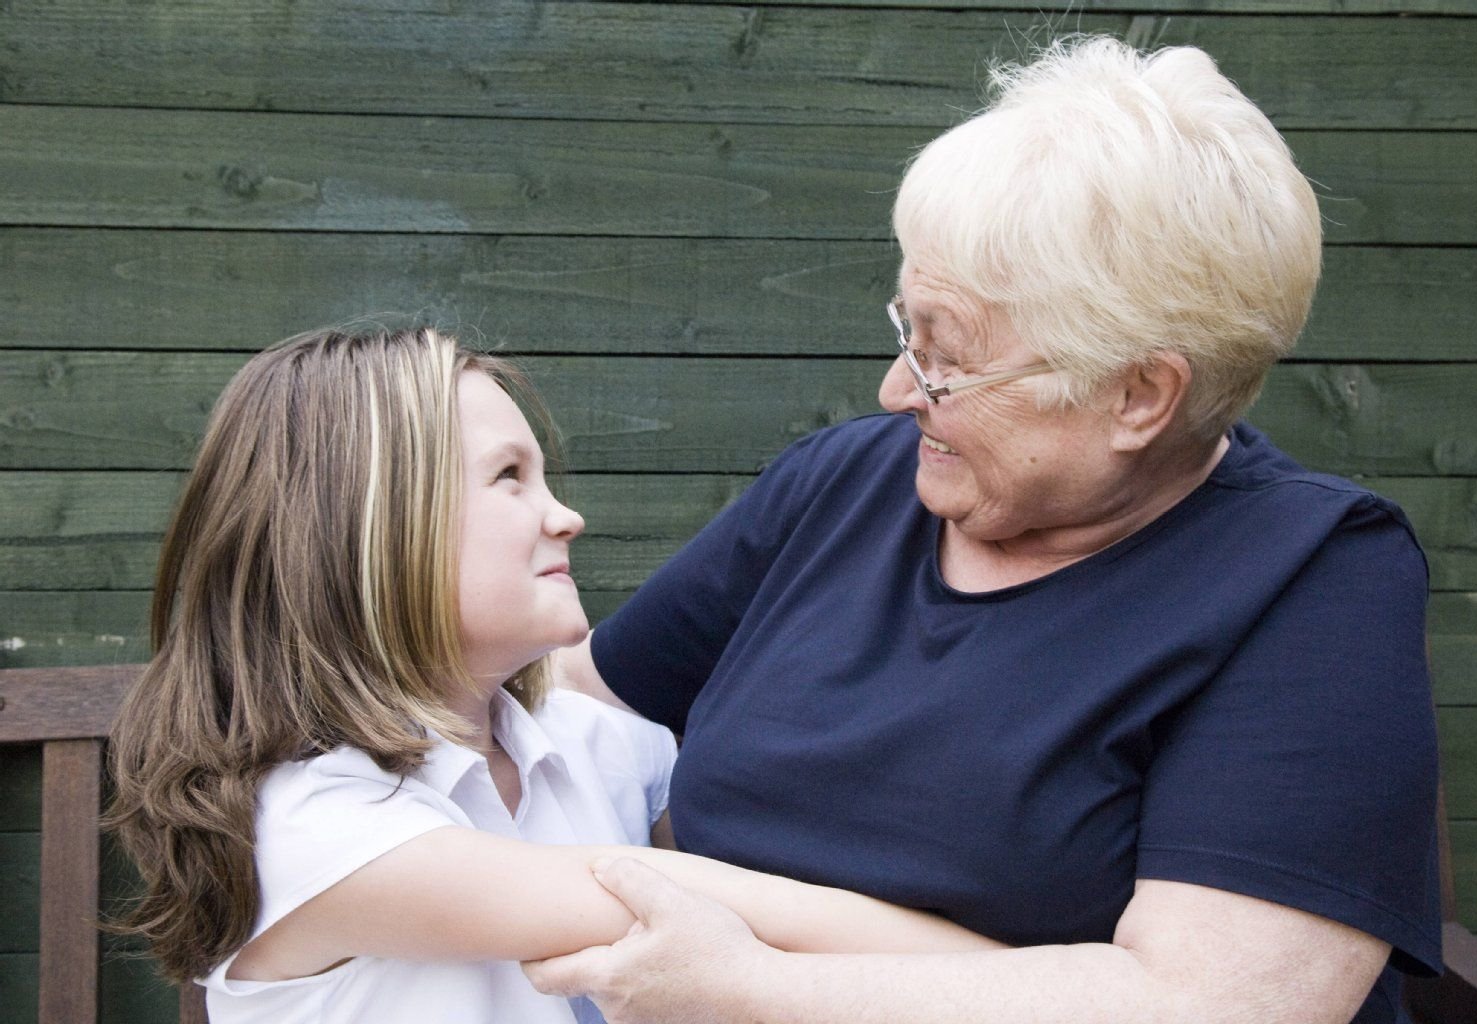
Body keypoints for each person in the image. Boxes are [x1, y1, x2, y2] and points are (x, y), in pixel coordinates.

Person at [528, 36, 1442, 1024]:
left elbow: (1221, 1004)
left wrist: (752, 987)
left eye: (944, 357)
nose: (895, 391)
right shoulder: (846, 484)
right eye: (906, 332)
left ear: (1137, 395)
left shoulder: (1307, 582)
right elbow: (575, 709)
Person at [106, 325, 999, 1024]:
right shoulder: (312, 825)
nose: (565, 515)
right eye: (509, 479)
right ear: (373, 532)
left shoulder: (593, 746)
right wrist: (1036, 984)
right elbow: (709, 901)